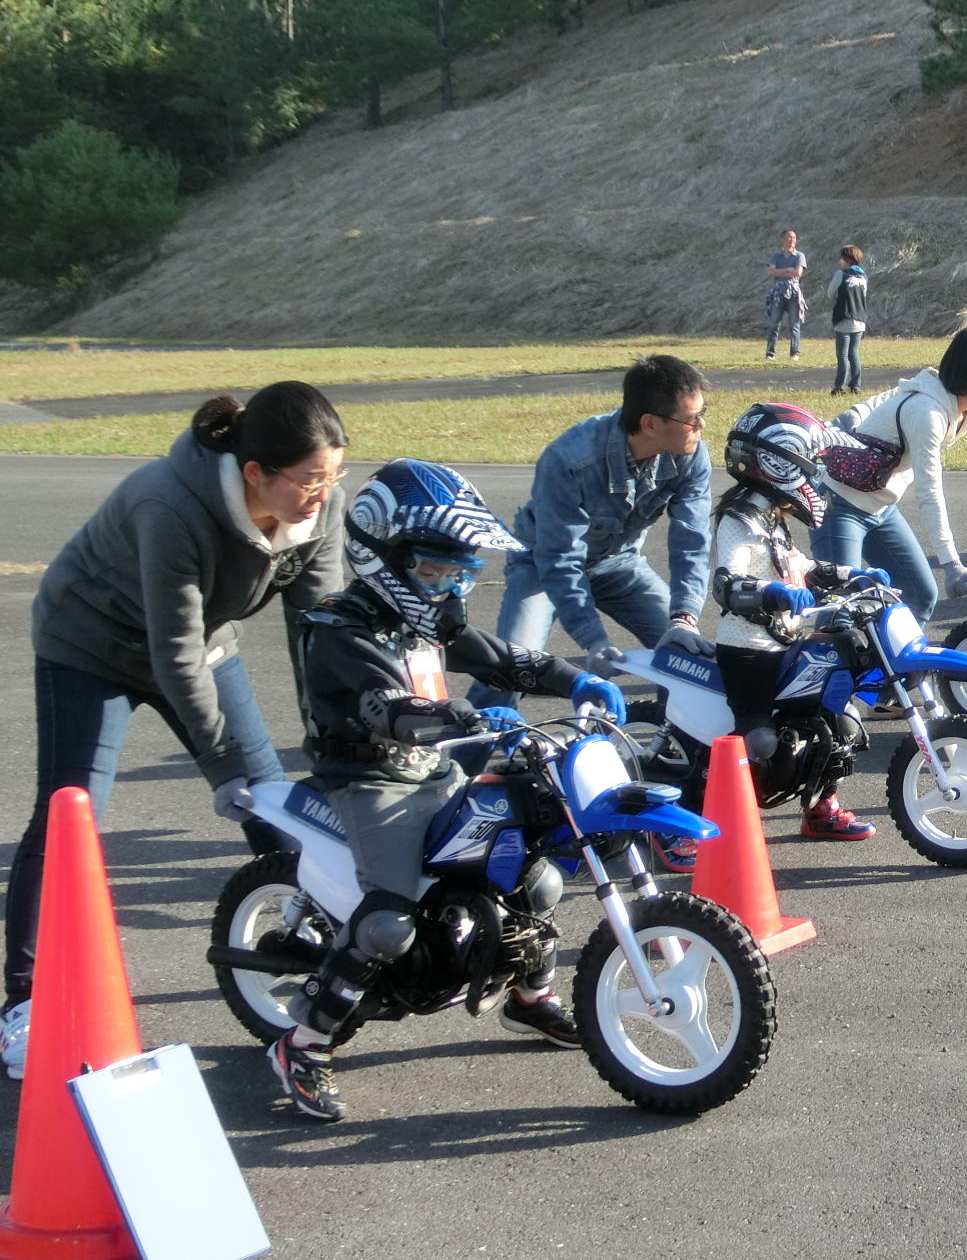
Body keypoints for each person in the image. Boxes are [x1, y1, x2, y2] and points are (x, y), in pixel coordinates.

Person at [3, 383, 349, 1081]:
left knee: (276, 806)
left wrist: (337, 737)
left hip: (200, 645)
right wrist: (221, 763)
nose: (323, 491)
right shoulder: (172, 504)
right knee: (72, 817)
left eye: (333, 475)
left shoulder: (321, 506)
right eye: (309, 478)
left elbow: (325, 634)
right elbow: (174, 654)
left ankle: (315, 953)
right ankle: (25, 999)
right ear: (255, 473)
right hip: (90, 644)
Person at [268, 460, 628, 1122]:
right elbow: (388, 710)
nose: (449, 585)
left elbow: (500, 657)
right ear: (384, 556)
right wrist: (464, 717)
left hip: (437, 768)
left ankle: (528, 1000)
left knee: (534, 874)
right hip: (370, 781)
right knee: (386, 923)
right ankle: (305, 1042)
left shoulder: (429, 619)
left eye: (459, 572)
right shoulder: (337, 629)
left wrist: (575, 679)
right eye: (435, 571)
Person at [471, 356, 712, 711]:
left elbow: (691, 543)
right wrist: (593, 639)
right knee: (511, 667)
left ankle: (672, 753)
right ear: (650, 424)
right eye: (692, 418)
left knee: (687, 661)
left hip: (618, 564)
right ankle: (463, 758)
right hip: (541, 566)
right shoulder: (569, 460)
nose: (701, 425)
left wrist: (684, 618)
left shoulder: (690, 454)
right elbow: (559, 560)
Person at [711, 403, 881, 839]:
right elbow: (726, 584)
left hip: (787, 640)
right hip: (748, 649)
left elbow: (798, 564)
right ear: (782, 461)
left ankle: (822, 807)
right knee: (762, 742)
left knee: (835, 723)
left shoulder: (772, 515)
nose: (817, 475)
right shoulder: (741, 517)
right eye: (813, 463)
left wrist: (851, 574)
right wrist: (772, 592)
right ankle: (706, 818)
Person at [813, 325, 967, 624]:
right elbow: (929, 491)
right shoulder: (928, 412)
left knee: (919, 595)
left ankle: (889, 667)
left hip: (881, 508)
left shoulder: (966, 407)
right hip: (839, 506)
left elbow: (894, 395)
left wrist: (856, 414)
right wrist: (951, 563)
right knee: (839, 609)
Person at [824, 245, 869, 395]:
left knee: (842, 355)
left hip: (844, 318)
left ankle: (839, 387)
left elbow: (830, 293)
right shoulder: (863, 276)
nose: (840, 260)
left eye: (842, 257)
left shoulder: (841, 274)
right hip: (860, 318)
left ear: (847, 259)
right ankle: (856, 386)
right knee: (854, 354)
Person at [764, 228, 806, 361]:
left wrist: (780, 272)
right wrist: (788, 269)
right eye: (788, 237)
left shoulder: (799, 256)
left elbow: (798, 273)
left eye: (793, 238)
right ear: (782, 239)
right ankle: (770, 353)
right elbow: (771, 272)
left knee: (794, 324)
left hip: (793, 293)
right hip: (778, 292)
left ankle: (794, 353)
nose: (791, 240)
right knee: (774, 323)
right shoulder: (776, 256)